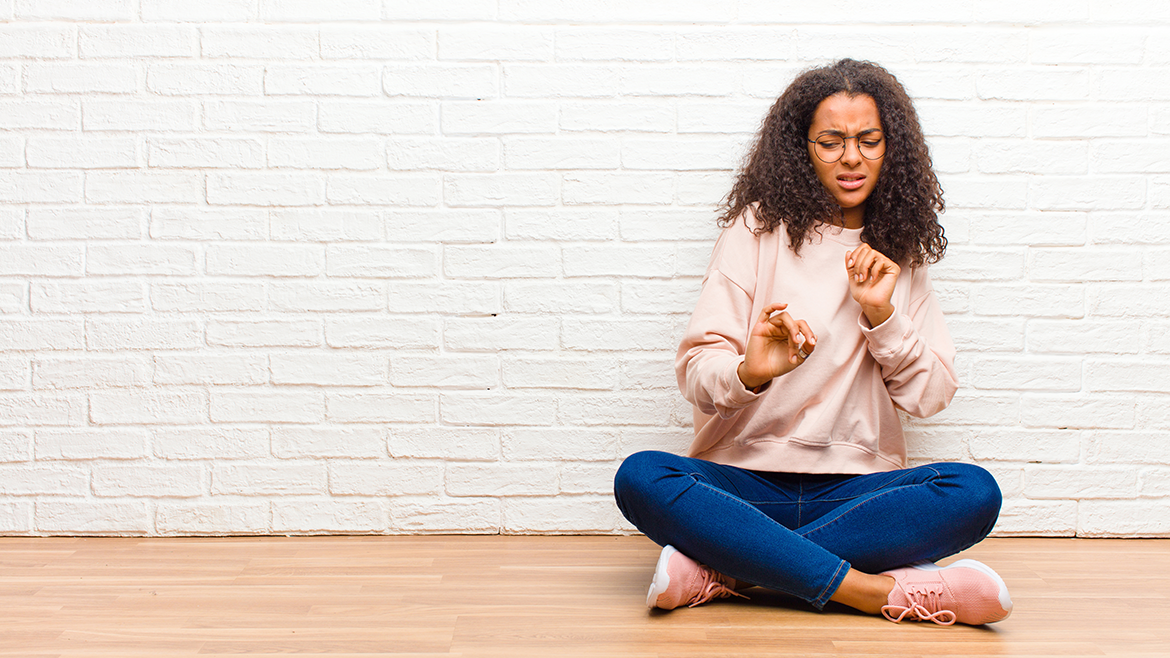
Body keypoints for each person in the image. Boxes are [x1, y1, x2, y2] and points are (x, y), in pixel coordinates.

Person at [613, 59, 1011, 626]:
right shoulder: (756, 229)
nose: (851, 157)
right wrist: (751, 371)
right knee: (642, 476)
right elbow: (697, 372)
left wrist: (882, 316)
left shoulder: (899, 252)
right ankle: (873, 592)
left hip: (857, 494)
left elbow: (930, 396)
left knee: (973, 492)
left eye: (869, 141)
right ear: (802, 149)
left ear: (891, 149)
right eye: (830, 142)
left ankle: (732, 570)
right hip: (744, 484)